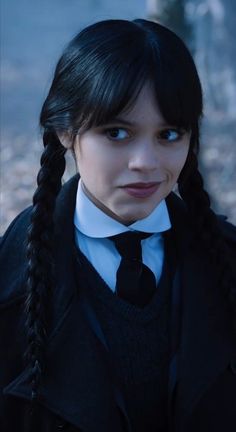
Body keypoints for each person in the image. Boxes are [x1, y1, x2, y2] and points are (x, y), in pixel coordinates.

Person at [0, 18, 236, 432]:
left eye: (169, 134)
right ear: (64, 130)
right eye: (117, 132)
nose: (145, 162)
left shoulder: (227, 259)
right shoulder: (10, 281)